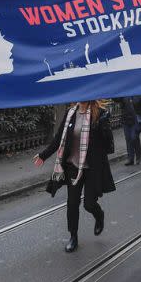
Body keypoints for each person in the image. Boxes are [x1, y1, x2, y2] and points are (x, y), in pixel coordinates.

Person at [35, 100, 115, 252]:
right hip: (73, 166)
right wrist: (43, 155)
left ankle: (99, 215)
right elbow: (59, 139)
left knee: (89, 204)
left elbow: (107, 146)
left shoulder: (99, 114)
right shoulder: (71, 113)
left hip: (92, 168)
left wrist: (105, 127)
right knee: (72, 203)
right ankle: (73, 236)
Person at [116, 96, 141, 165]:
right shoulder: (124, 93)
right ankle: (130, 158)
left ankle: (138, 155)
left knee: (134, 137)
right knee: (128, 139)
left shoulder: (140, 94)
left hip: (136, 119)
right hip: (126, 119)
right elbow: (116, 99)